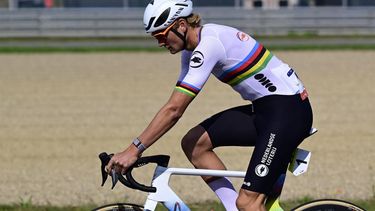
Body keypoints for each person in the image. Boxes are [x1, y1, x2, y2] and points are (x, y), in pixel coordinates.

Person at [106, 0, 313, 210]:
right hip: (267, 110)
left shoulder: (209, 45)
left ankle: (242, 206)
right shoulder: (191, 50)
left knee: (248, 202)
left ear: (181, 25)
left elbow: (175, 110)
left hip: (289, 112)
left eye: (161, 35)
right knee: (194, 143)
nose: (160, 42)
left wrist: (133, 150)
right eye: (155, 37)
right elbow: (175, 100)